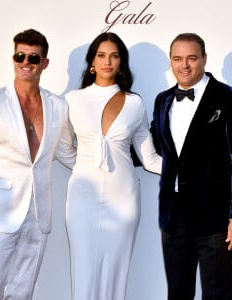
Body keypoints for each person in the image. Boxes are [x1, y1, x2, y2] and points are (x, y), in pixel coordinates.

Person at [0, 28, 76, 299]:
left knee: (23, 292)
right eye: (20, 55)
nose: (25, 62)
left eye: (33, 58)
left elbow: (68, 154)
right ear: (13, 58)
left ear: (44, 63)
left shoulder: (58, 106)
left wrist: (108, 165)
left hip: (38, 214)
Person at [150, 32, 232, 299]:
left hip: (216, 219)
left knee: (217, 295)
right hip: (173, 219)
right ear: (170, 61)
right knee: (177, 293)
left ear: (204, 59)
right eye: (177, 59)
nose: (184, 65)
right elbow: (153, 145)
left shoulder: (231, 99)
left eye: (192, 58)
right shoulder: (162, 100)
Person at [65, 32, 162, 300]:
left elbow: (150, 159)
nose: (108, 61)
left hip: (124, 198)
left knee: (116, 275)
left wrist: (191, 170)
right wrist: (83, 166)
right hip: (82, 197)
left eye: (115, 56)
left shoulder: (135, 103)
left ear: (121, 63)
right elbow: (63, 147)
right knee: (83, 270)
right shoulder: (73, 99)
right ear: (92, 62)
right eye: (102, 55)